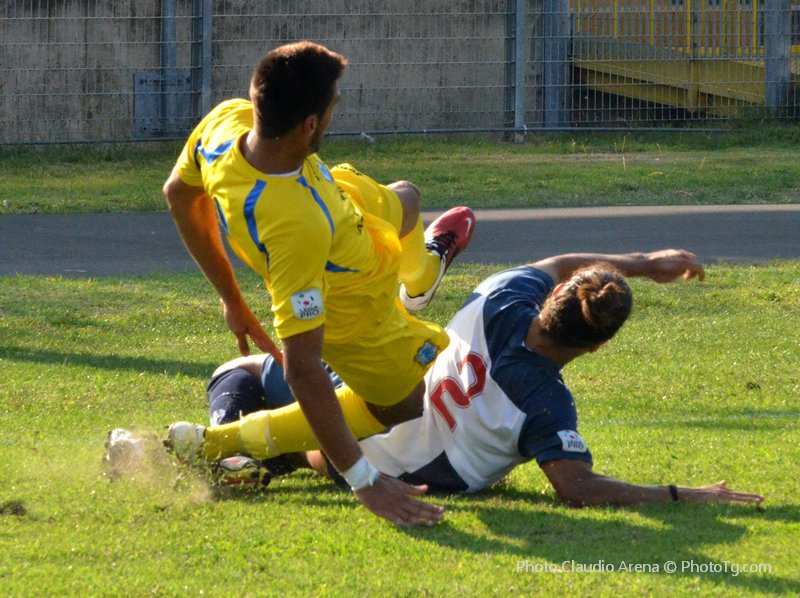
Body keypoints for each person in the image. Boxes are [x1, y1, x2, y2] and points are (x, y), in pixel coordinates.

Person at [161, 40, 475, 527]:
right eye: (333, 106)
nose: (334, 113)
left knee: (407, 198)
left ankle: (420, 281)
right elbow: (304, 369)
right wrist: (364, 479)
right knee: (407, 402)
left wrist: (231, 300)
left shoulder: (226, 122)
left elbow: (179, 194)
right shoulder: (296, 228)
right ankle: (217, 443)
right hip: (355, 306)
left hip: (336, 195)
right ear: (310, 124)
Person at [196, 248, 764, 509]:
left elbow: (561, 263)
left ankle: (238, 448)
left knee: (238, 371)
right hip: (386, 471)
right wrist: (682, 494)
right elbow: (577, 487)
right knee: (311, 423)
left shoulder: (501, 296)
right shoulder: (547, 404)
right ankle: (255, 457)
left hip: (367, 420)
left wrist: (643, 262)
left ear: (553, 296)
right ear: (595, 347)